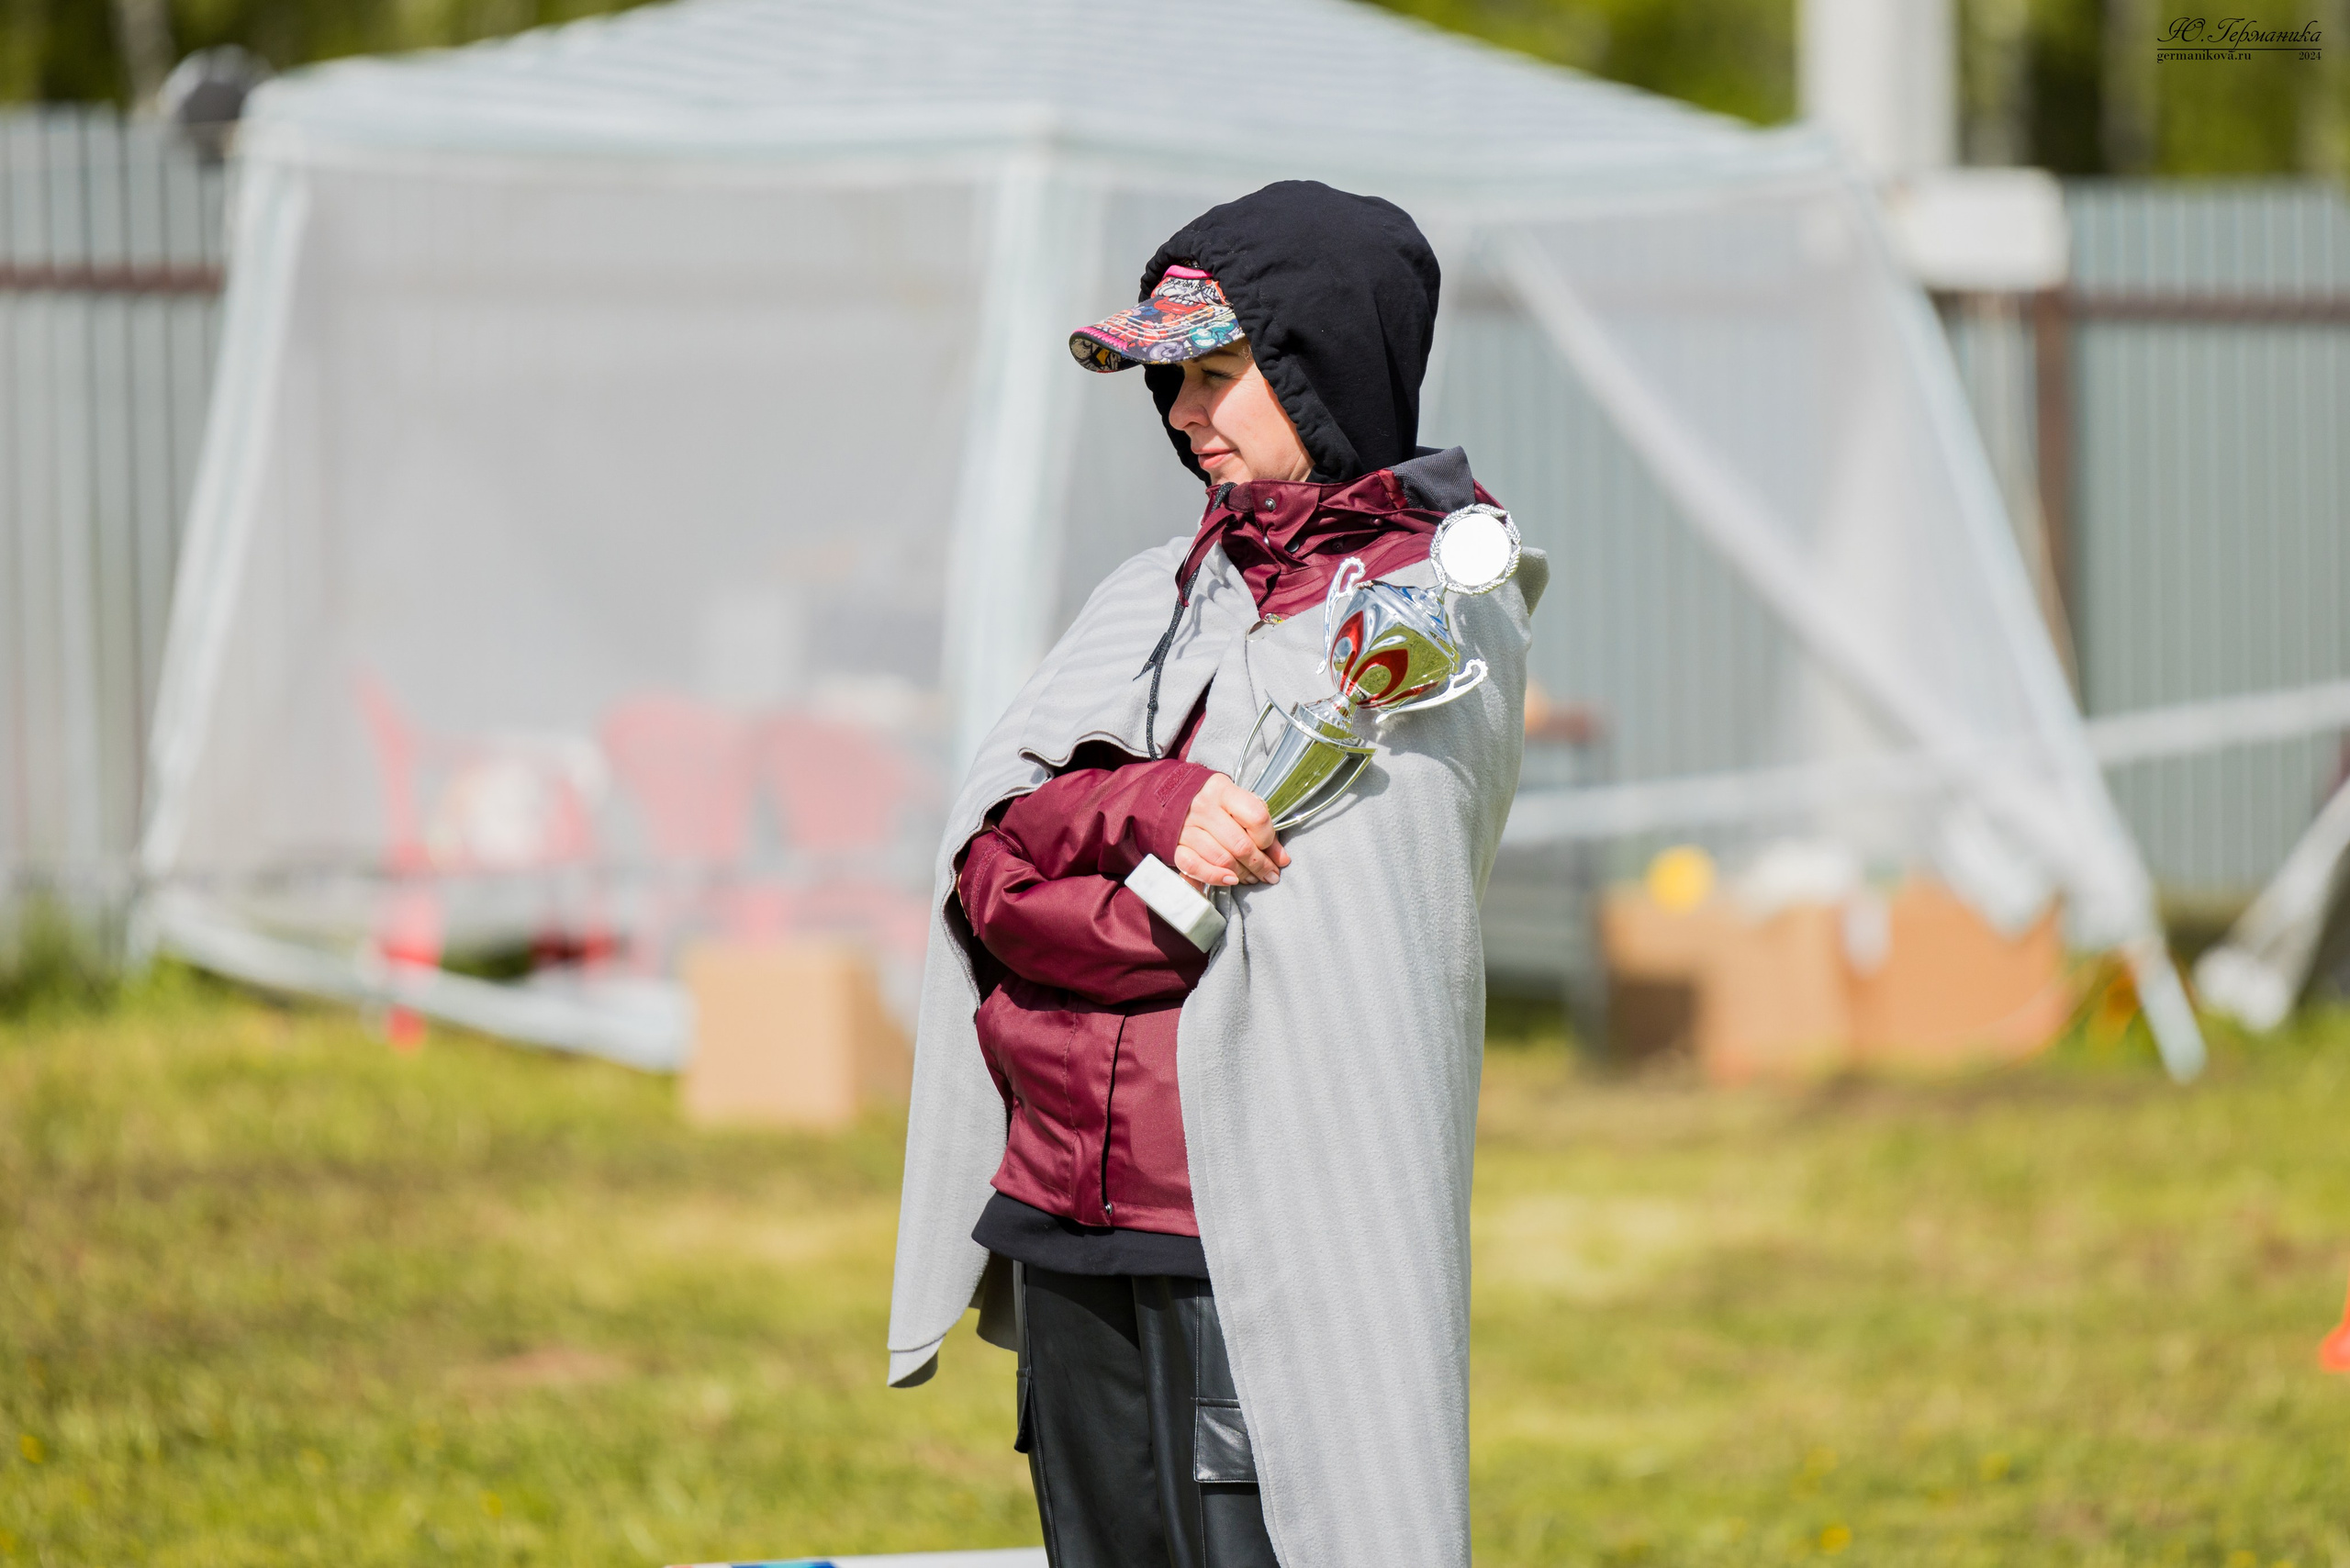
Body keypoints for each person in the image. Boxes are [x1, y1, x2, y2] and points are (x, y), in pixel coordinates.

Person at [889, 180, 1547, 1568]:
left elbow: (1337, 930)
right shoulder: (1146, 596)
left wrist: (1091, 883)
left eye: (1219, 373)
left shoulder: (1436, 610)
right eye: (1171, 381)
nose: (1186, 414)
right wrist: (1155, 802)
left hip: (1261, 1240)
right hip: (1067, 1212)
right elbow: (989, 872)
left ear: (1323, 360)